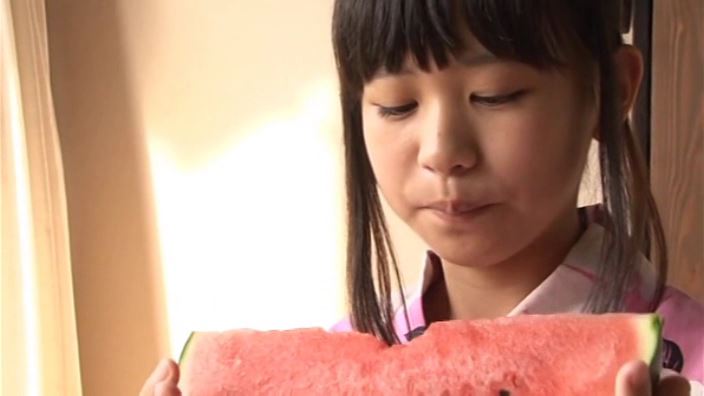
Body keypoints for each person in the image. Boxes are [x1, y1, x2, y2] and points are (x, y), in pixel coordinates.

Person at [141, 1, 703, 394]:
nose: (442, 151)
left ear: (610, 93)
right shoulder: (352, 352)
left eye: (495, 95)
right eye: (396, 105)